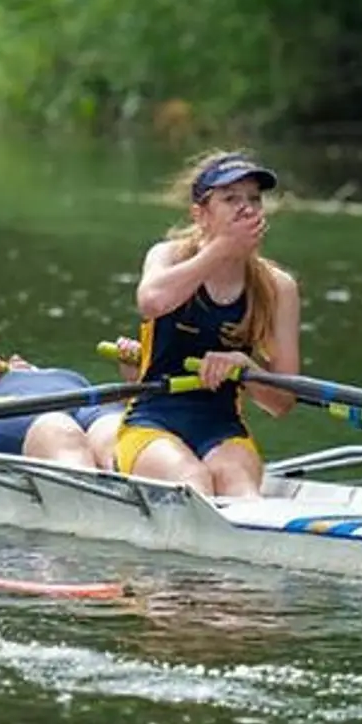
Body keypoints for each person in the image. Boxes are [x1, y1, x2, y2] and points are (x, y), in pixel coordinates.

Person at [115, 150, 302, 498]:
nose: (246, 208)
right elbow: (152, 302)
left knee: (241, 490)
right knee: (192, 482)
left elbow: (282, 402)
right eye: (230, 199)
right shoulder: (167, 256)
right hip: (151, 420)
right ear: (200, 214)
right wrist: (222, 250)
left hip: (223, 428)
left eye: (254, 199)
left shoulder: (278, 288)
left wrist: (246, 367)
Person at [0, 348, 139, 470]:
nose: (14, 358)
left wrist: (136, 381)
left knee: (113, 430)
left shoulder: (67, 376)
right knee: (58, 428)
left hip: (90, 410)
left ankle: (134, 477)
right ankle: (89, 502)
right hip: (28, 415)